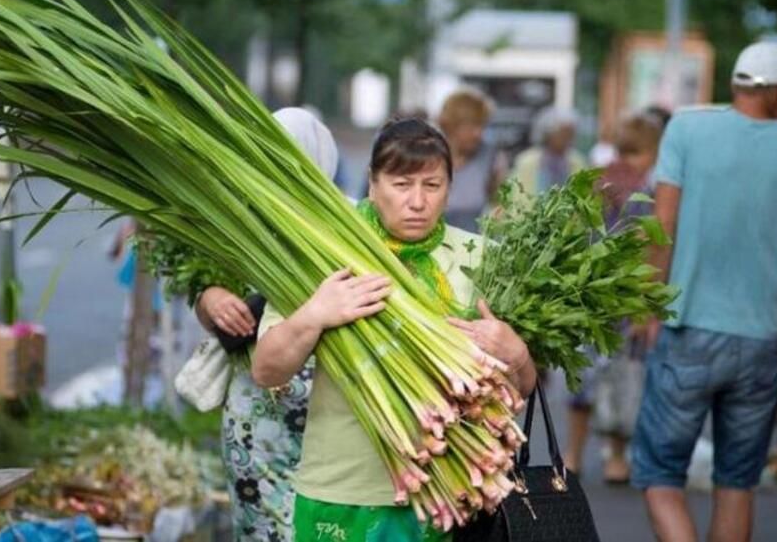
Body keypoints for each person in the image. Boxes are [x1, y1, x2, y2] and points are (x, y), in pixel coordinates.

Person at [253, 117, 537, 542]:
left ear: (450, 187)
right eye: (402, 185)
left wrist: (516, 352)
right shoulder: (323, 256)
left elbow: (525, 387)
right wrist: (315, 314)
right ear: (373, 183)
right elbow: (267, 370)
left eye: (432, 185)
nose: (417, 202)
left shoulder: (482, 259)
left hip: (449, 497)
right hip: (340, 490)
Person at [631, 41, 777, 542]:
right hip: (762, 342)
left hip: (688, 331)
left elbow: (663, 226)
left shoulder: (687, 129)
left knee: (659, 475)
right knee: (737, 482)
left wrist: (648, 307)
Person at [191, 107, 338, 541]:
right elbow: (199, 288)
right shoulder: (237, 222)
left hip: (330, 410)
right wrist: (211, 301)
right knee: (262, 530)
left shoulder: (351, 223)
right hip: (257, 422)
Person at [564, 113, 664, 483]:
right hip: (624, 298)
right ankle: (613, 457)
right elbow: (652, 246)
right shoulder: (649, 192)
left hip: (591, 293)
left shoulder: (596, 182)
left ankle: (576, 454)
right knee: (620, 379)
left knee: (590, 380)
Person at [437, 89, 508, 232]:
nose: (478, 133)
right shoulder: (426, 156)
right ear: (451, 125)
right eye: (471, 125)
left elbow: (500, 205)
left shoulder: (492, 158)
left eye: (482, 125)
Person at [511, 106, 587, 197]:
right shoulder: (527, 161)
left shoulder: (578, 162)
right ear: (548, 134)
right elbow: (518, 196)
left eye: (570, 135)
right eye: (562, 134)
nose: (567, 140)